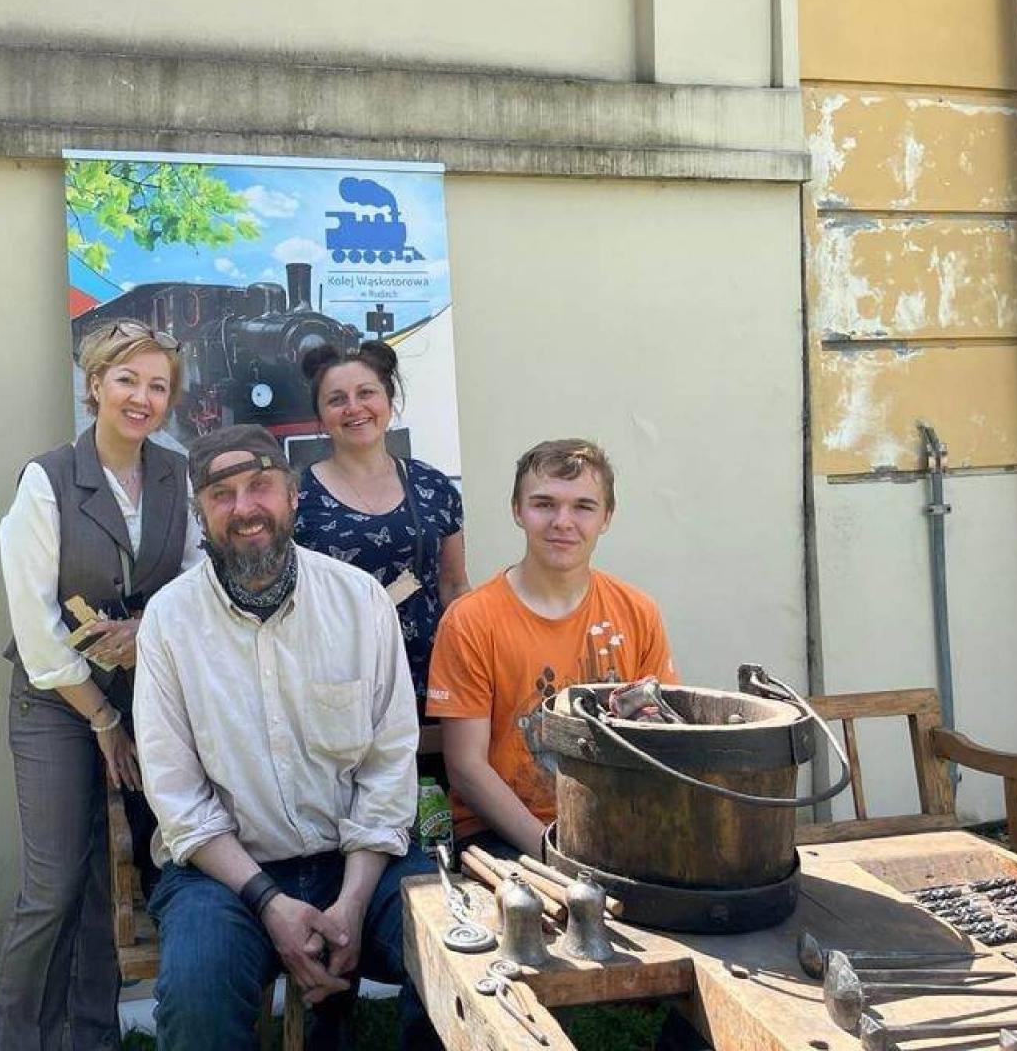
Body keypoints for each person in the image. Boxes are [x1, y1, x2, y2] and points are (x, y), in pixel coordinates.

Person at [134, 425, 441, 1051]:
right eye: (222, 495)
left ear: (293, 494)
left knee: (451, 958)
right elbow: (178, 799)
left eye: (260, 486)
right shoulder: (170, 621)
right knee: (197, 999)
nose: (245, 508)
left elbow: (387, 767)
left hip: (361, 866)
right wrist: (272, 904)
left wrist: (351, 905)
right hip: (223, 877)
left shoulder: (359, 603)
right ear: (201, 514)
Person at [0, 320, 203, 1051]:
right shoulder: (47, 480)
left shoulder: (178, 474)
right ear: (94, 387)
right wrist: (102, 722)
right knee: (53, 889)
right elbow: (37, 628)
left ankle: (91, 1036)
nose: (141, 398)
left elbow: (197, 581)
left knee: (120, 880)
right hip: (57, 702)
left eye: (157, 386)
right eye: (127, 381)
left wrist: (148, 626)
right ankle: (21, 1040)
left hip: (148, 697)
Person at [427, 438, 676, 860]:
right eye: (544, 504)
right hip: (504, 838)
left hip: (617, 828)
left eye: (583, 506)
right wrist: (553, 853)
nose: (563, 521)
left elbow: (660, 739)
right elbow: (467, 769)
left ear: (607, 517)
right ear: (517, 511)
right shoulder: (471, 620)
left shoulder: (638, 611)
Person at [295, 341, 468, 717]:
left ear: (388, 401)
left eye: (366, 393)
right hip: (340, 688)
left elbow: (454, 585)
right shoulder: (297, 497)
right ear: (322, 416)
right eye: (337, 399)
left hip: (430, 679)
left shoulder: (433, 486)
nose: (354, 408)